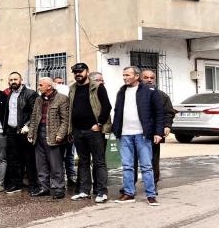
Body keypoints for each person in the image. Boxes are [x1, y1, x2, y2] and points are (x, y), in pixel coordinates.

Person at [112, 66, 164, 206]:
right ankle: (129, 193)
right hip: (125, 135)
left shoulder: (149, 91)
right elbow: (117, 111)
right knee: (127, 166)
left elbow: (159, 113)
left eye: (127, 75)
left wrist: (158, 132)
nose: (125, 77)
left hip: (142, 135)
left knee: (146, 166)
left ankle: (151, 195)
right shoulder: (121, 91)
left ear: (136, 76)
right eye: (124, 75)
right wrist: (115, 130)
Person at [67, 63, 112, 203]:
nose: (78, 74)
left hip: (94, 131)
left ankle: (101, 192)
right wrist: (71, 130)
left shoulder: (97, 86)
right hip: (78, 131)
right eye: (75, 72)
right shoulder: (72, 88)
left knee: (99, 162)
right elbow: (71, 109)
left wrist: (99, 124)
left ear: (87, 71)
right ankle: (84, 191)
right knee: (83, 162)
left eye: (80, 71)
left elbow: (107, 106)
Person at [28, 78, 70, 199]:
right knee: (41, 164)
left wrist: (60, 134)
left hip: (53, 135)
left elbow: (65, 119)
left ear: (49, 87)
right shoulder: (39, 99)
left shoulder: (62, 98)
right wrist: (31, 133)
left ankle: (59, 188)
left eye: (41, 85)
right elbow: (34, 117)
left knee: (55, 164)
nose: (39, 87)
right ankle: (44, 188)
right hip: (39, 134)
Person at [3, 72, 38, 195]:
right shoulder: (10, 94)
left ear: (21, 80)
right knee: (14, 159)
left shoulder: (30, 93)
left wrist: (27, 125)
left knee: (29, 159)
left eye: (15, 79)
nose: (13, 81)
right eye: (11, 79)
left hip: (24, 131)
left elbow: (35, 113)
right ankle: (16, 184)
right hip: (11, 131)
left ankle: (33, 185)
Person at [140, 70, 175, 189]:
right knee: (132, 160)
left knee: (153, 159)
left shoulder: (161, 95)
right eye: (146, 77)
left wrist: (167, 125)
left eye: (152, 78)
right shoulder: (133, 93)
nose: (149, 80)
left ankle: (152, 183)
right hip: (135, 131)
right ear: (140, 79)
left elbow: (168, 112)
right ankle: (129, 187)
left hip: (154, 132)